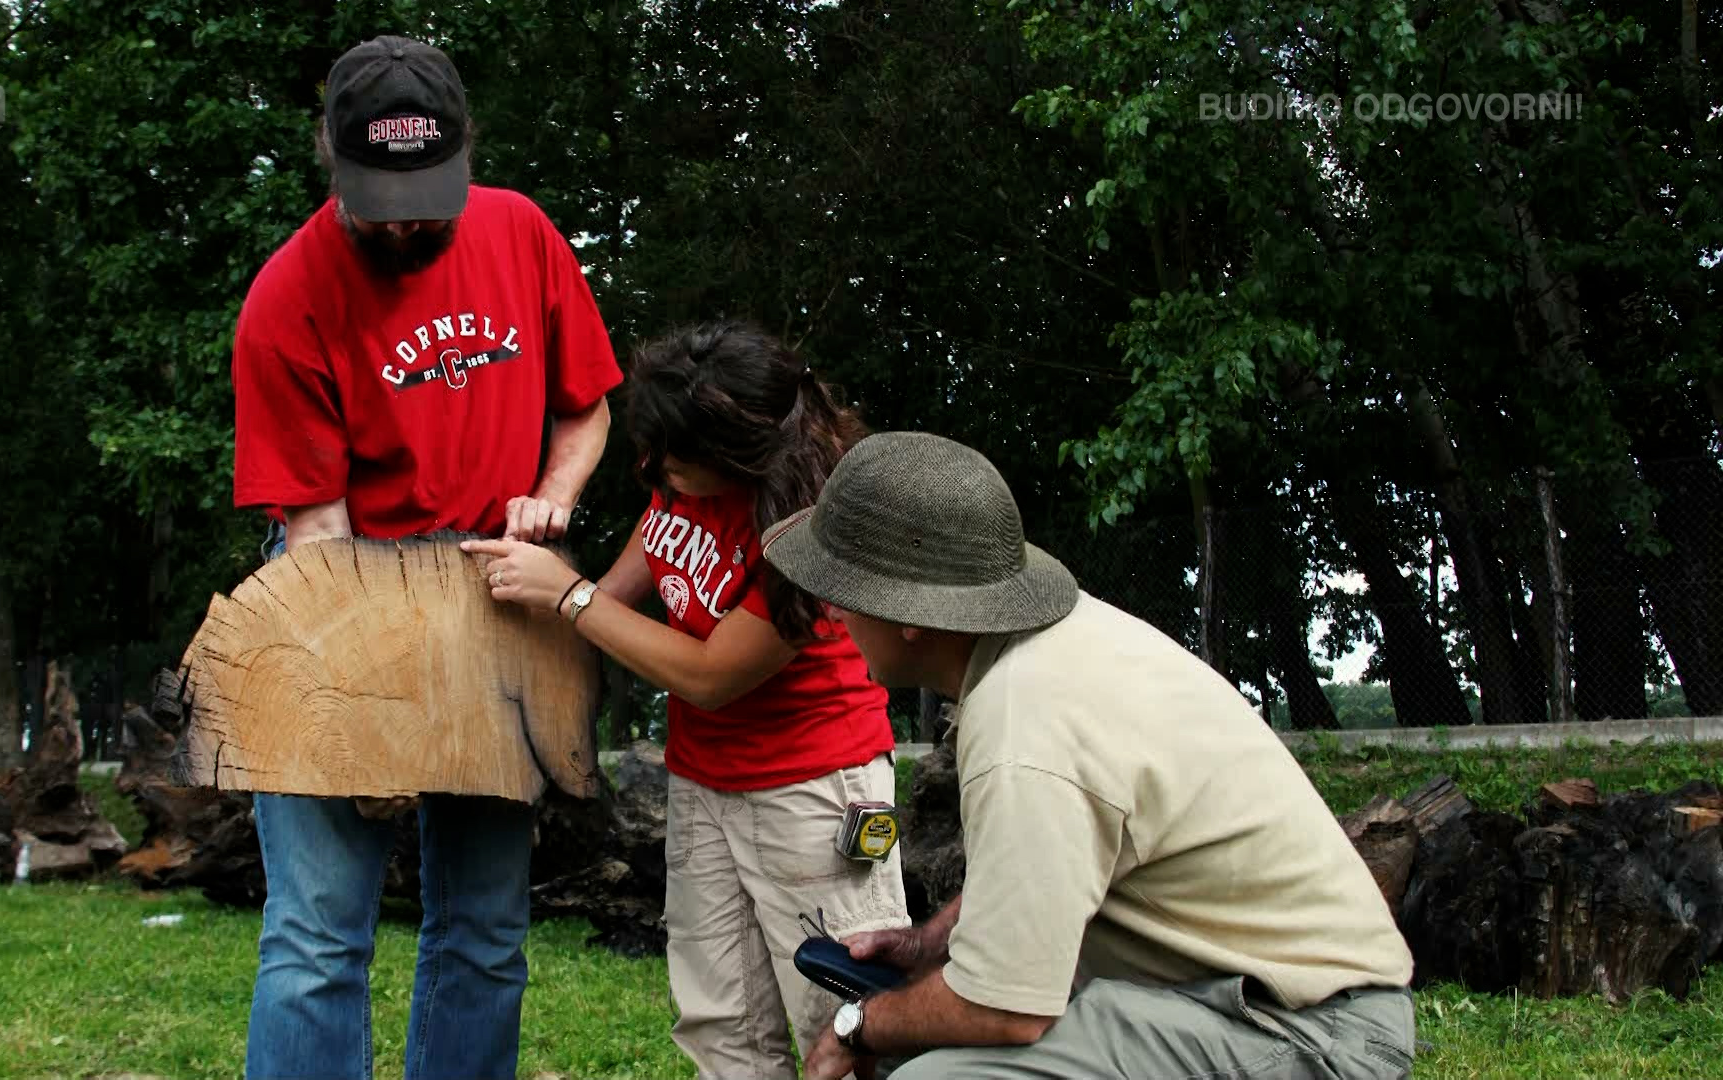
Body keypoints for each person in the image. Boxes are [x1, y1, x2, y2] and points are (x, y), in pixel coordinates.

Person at [757, 431, 1419, 1080]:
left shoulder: (1026, 725)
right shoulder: (1047, 651)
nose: (832, 612)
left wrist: (859, 1023)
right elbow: (1061, 863)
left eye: (841, 585)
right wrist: (931, 946)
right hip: (1251, 1000)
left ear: (908, 611)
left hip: (1307, 1032)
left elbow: (1005, 1010)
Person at [229, 34, 622, 1080]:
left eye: (427, 194)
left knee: (486, 929)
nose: (405, 220)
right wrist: (371, 727)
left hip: (496, 599)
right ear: (329, 160)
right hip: (340, 597)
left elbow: (586, 410)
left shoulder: (523, 232)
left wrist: (552, 498)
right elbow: (318, 537)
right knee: (317, 935)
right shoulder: (287, 299)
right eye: (378, 197)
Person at [462, 322, 910, 1079]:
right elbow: (643, 557)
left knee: (841, 1024)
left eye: (672, 459)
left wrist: (569, 597)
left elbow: (709, 674)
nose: (650, 468)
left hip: (816, 794)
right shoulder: (681, 478)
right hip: (705, 784)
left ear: (739, 455)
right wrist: (573, 604)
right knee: (720, 1024)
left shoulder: (817, 530)